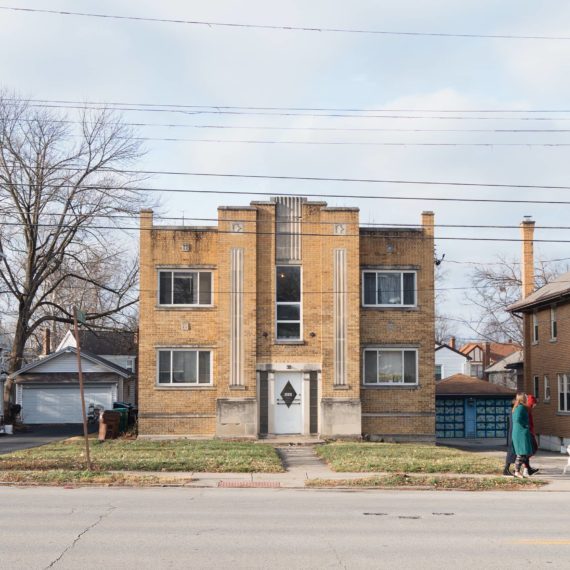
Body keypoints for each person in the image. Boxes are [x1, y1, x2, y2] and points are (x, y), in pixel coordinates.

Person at [511, 392, 534, 478]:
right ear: (522, 398)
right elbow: (517, 419)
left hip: (521, 432)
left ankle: (517, 471)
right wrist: (525, 425)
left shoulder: (520, 407)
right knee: (521, 453)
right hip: (520, 432)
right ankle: (517, 471)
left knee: (523, 454)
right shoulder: (520, 407)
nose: (527, 398)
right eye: (525, 397)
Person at [525, 394, 540, 476]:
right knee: (530, 450)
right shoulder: (527, 410)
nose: (535, 406)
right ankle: (526, 469)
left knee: (530, 450)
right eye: (534, 404)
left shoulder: (529, 410)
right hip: (528, 433)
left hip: (530, 432)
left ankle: (527, 468)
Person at [503, 398, 517, 476]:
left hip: (512, 434)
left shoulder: (512, 412)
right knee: (512, 452)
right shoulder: (514, 412)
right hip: (513, 435)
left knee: (514, 452)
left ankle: (510, 469)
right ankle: (507, 469)